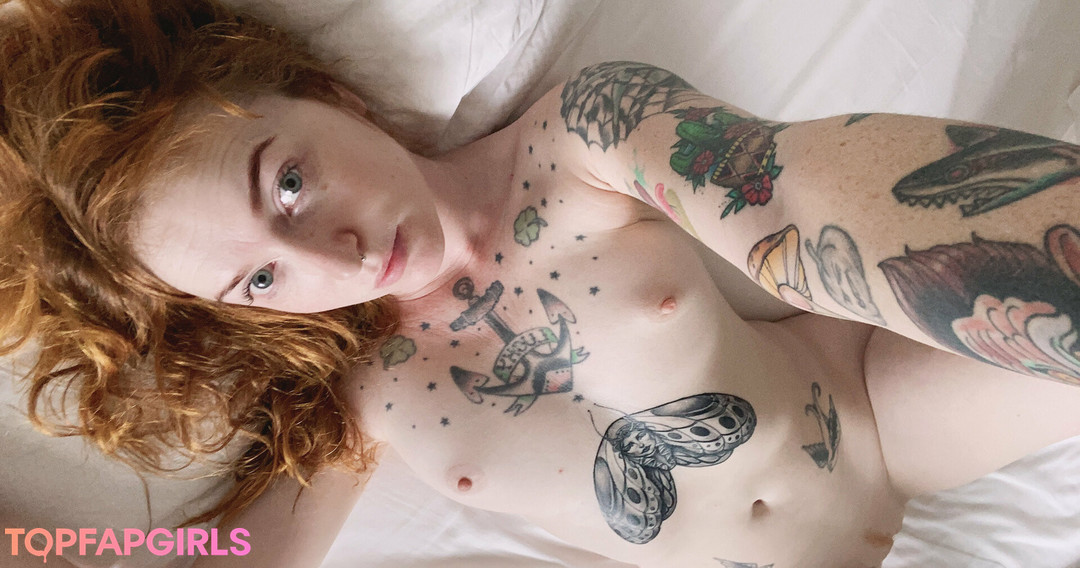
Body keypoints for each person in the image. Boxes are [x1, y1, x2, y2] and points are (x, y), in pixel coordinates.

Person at [2, 0, 1079, 567]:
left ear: (328, 95)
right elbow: (227, 559)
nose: (337, 256)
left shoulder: (582, 139)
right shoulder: (359, 395)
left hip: (880, 413)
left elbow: (786, 195)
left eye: (288, 183)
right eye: (263, 274)